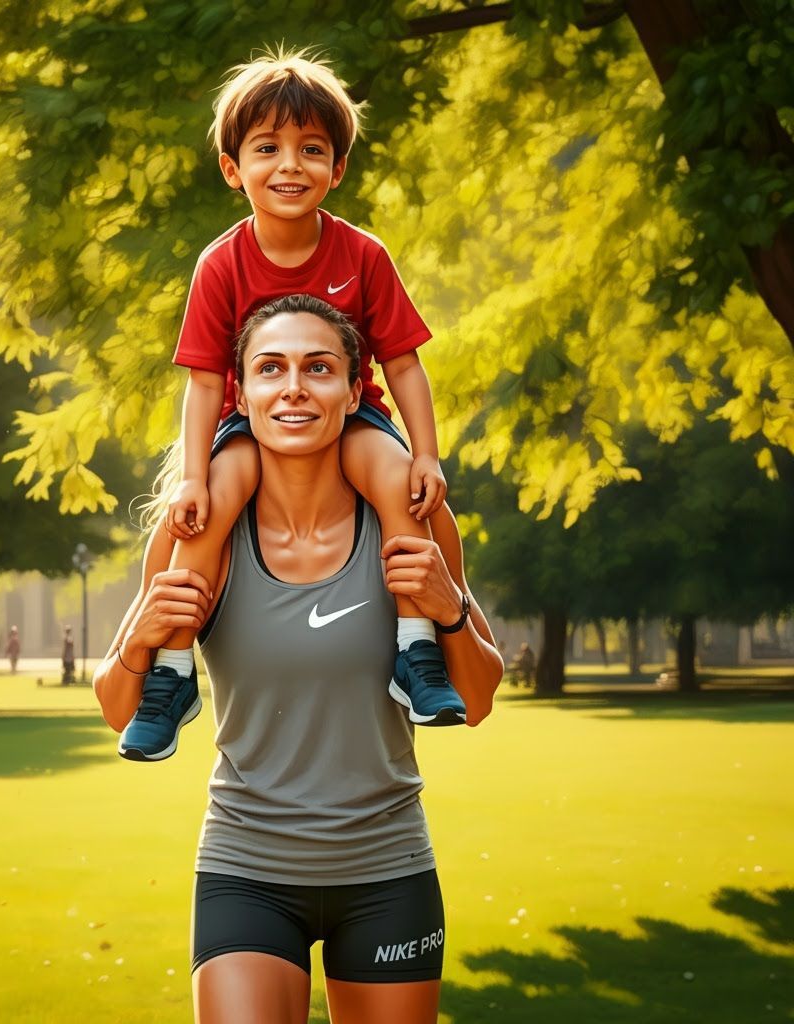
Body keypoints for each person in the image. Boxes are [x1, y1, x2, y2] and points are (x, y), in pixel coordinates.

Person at [93, 296, 503, 1023]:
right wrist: (137, 637)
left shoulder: (411, 512)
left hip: (388, 871)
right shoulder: (196, 532)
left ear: (353, 392)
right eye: (269, 369)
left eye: (318, 368)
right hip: (245, 871)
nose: (293, 388)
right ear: (240, 394)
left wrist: (449, 608)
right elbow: (119, 706)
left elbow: (475, 700)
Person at [119, 49, 468, 762]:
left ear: (337, 169)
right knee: (212, 502)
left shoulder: (362, 254)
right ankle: (172, 673)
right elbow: (207, 383)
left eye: (312, 150)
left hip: (351, 417)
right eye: (267, 148)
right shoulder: (221, 264)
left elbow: (402, 361)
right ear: (232, 167)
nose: (290, 165)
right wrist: (190, 474)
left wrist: (426, 451)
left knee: (398, 478)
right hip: (248, 426)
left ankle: (417, 650)